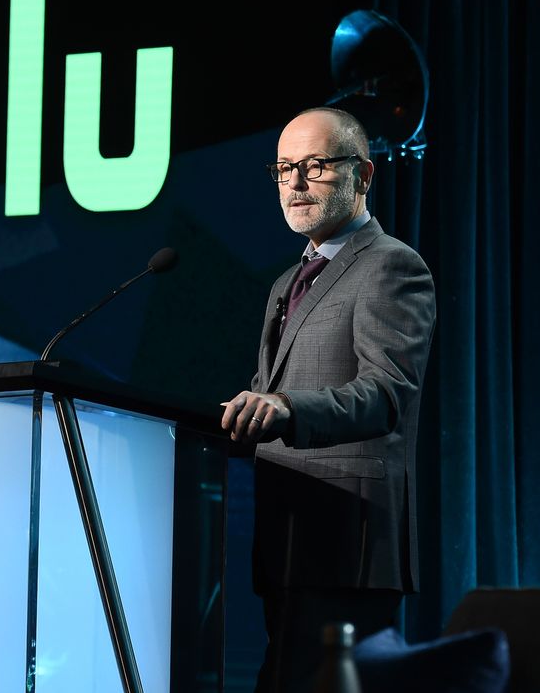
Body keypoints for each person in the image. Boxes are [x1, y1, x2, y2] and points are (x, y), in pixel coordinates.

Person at [220, 107, 436, 692]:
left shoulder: (391, 266)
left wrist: (288, 409)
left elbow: (387, 393)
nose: (294, 184)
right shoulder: (285, 282)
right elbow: (271, 391)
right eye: (284, 168)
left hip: (349, 544)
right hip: (287, 541)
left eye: (315, 167)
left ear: (363, 175)